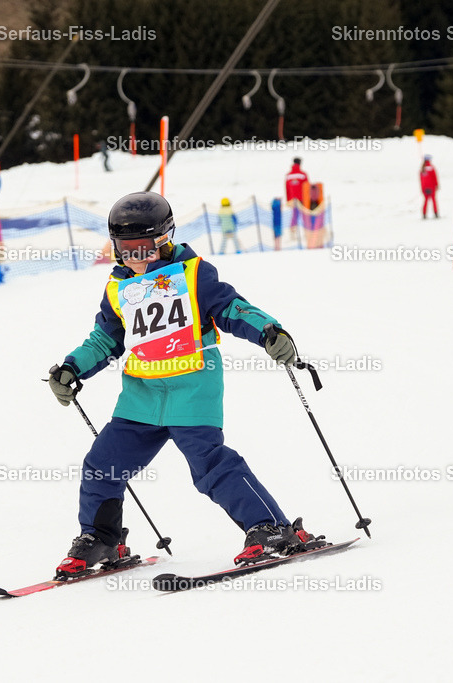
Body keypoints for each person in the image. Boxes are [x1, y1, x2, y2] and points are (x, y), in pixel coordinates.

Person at [47, 192, 320, 579]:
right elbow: (106, 340)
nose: (136, 259)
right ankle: (101, 539)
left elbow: (231, 308)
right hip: (141, 396)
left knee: (209, 465)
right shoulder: (118, 288)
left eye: (144, 249)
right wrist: (72, 369)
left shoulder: (193, 274)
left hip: (192, 386)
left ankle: (270, 528)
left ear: (164, 239)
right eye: (127, 251)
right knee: (101, 465)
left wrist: (268, 331)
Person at [285, 157, 309, 239]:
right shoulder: (303, 175)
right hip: (302, 199)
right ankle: (307, 233)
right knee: (305, 215)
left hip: (293, 199)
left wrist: (288, 200)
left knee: (294, 216)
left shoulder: (288, 175)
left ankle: (292, 234)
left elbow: (287, 189)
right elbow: (307, 187)